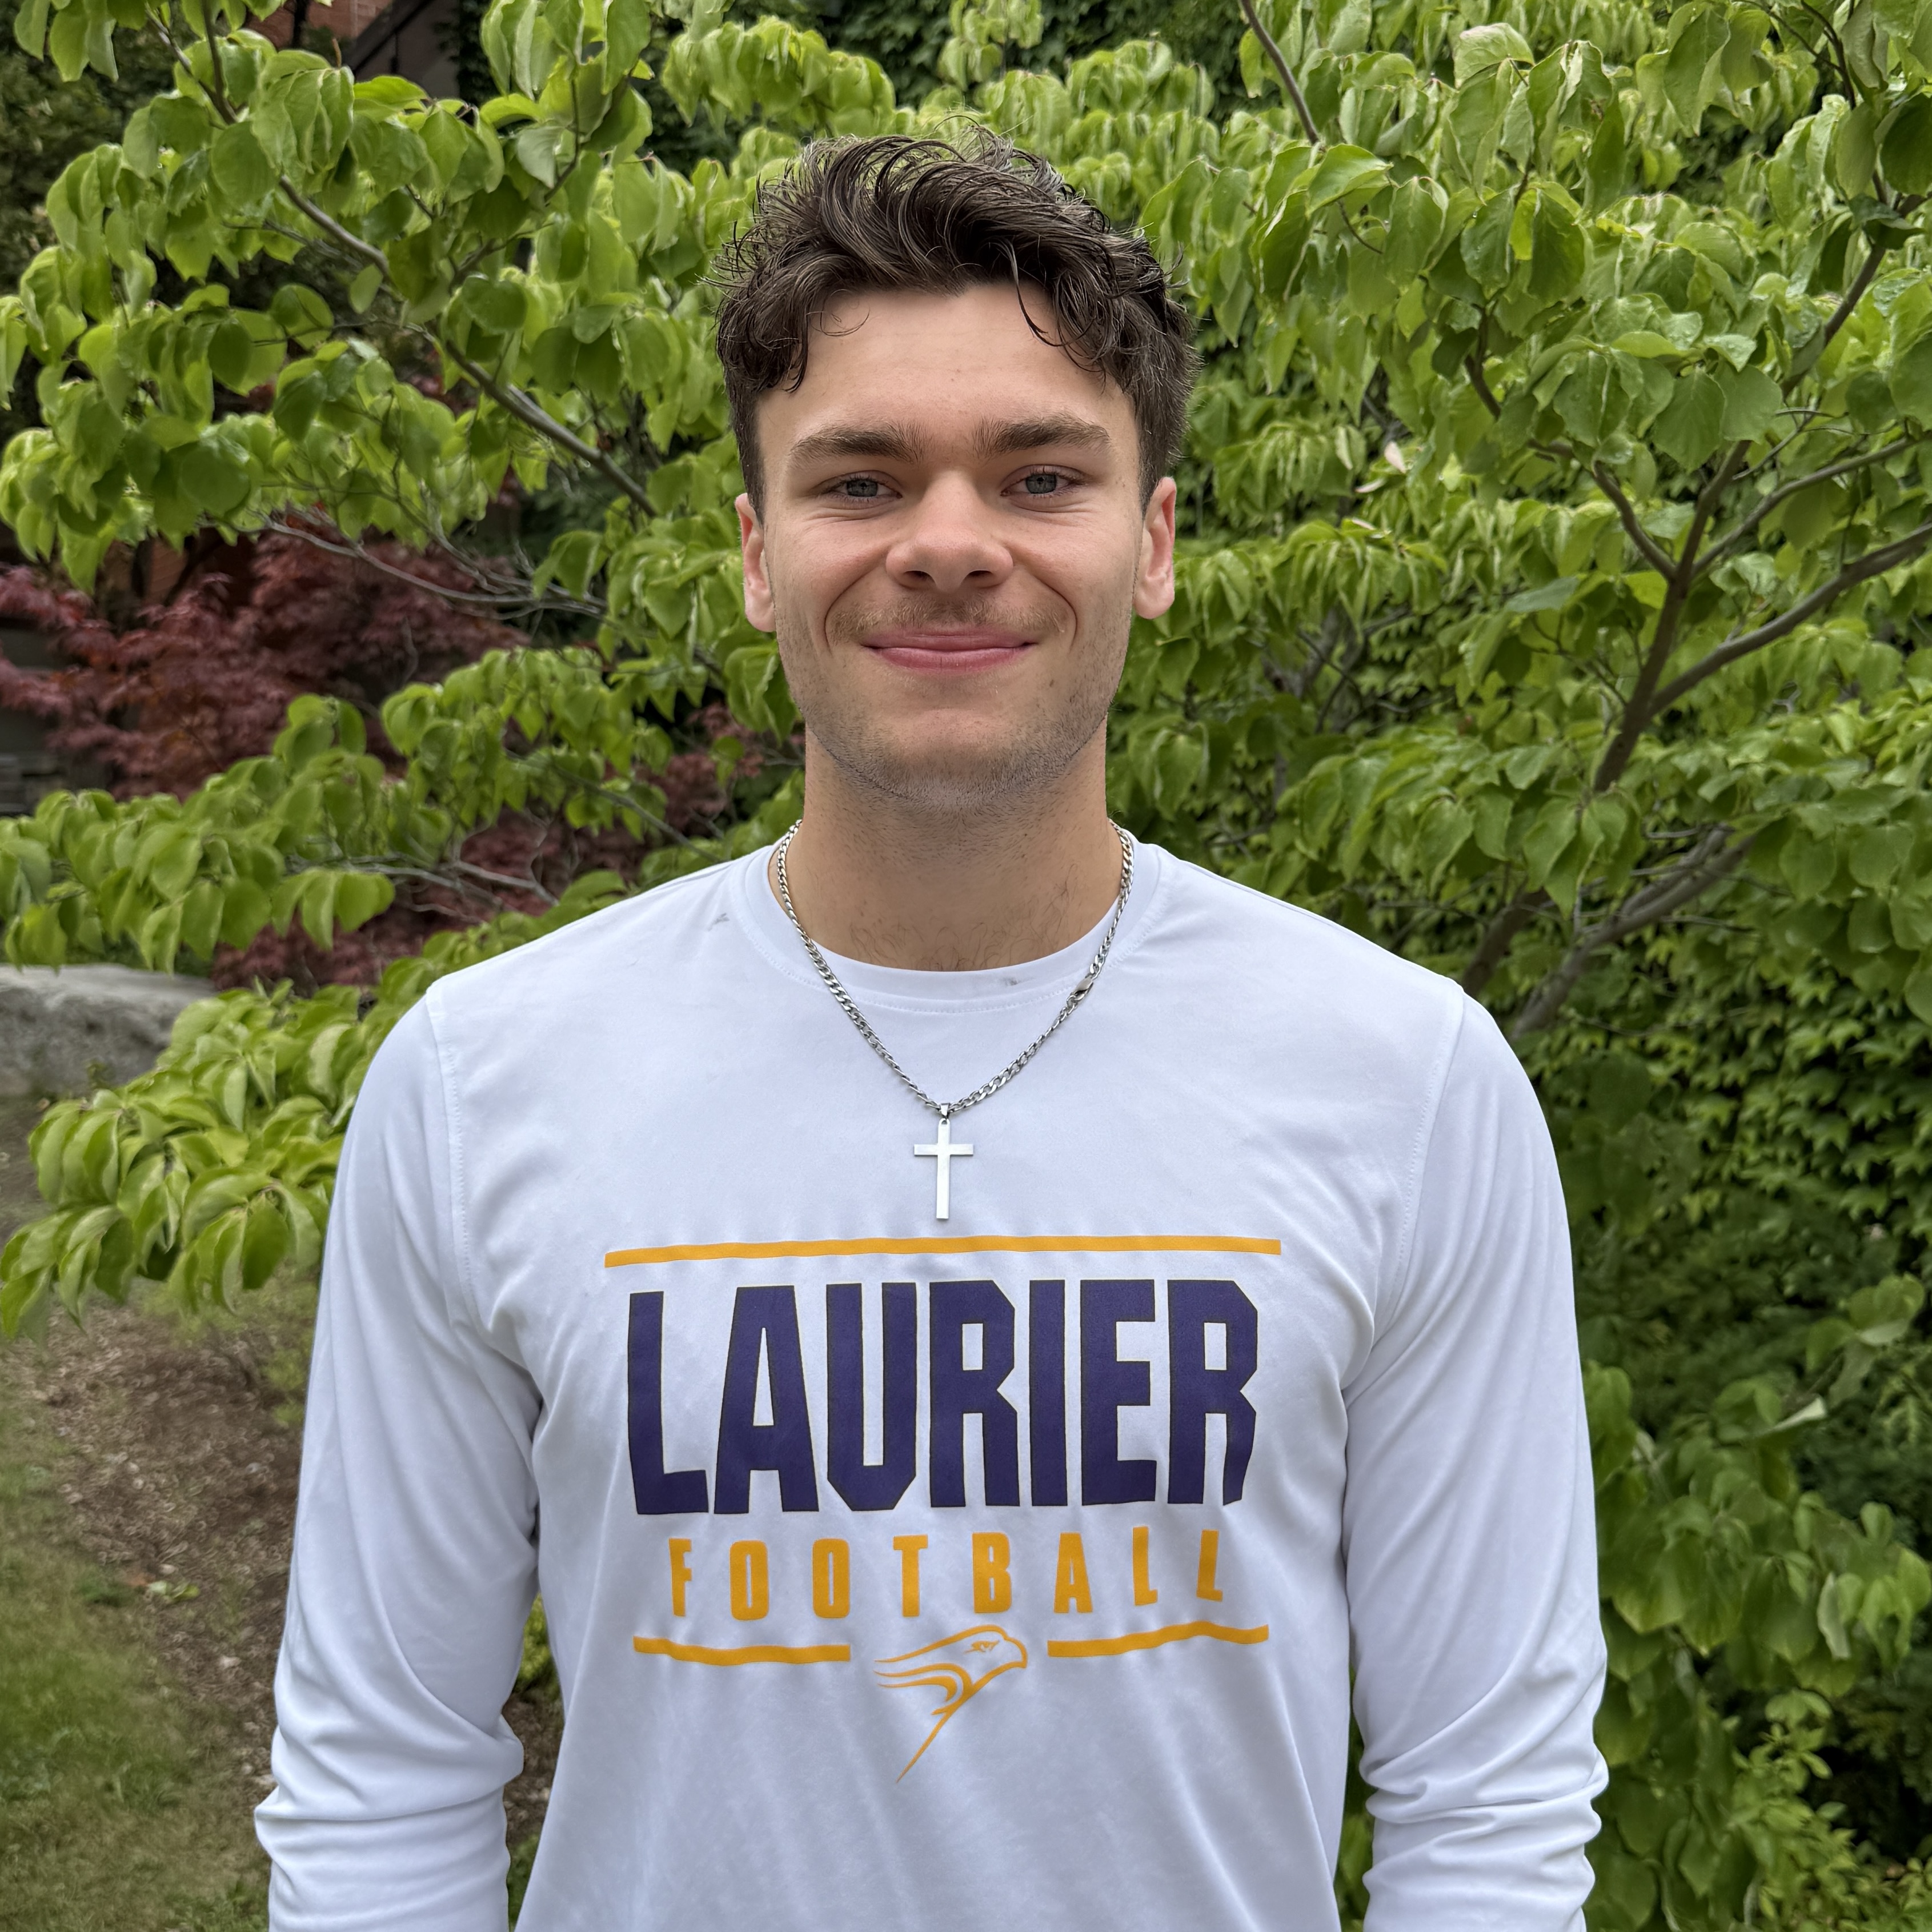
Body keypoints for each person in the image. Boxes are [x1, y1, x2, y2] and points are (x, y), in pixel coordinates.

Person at [258, 133, 1606, 1931]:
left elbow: (1490, 1798)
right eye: (863, 479)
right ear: (756, 554)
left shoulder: (1408, 1079)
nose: (949, 545)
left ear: (1154, 542)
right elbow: (383, 1769)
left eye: (1040, 475)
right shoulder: (481, 1079)